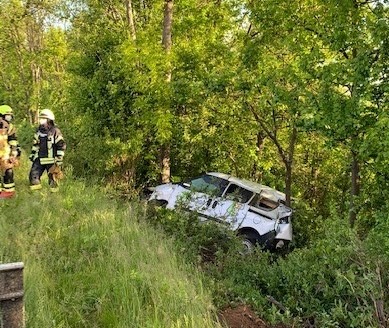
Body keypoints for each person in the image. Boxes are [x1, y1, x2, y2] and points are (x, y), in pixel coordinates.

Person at [29, 109, 66, 192]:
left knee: (53, 178)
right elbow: (35, 145)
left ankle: (54, 197)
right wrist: (32, 155)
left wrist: (59, 159)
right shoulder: (38, 131)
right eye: (40, 118)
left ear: (49, 120)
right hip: (39, 159)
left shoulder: (55, 131)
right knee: (33, 175)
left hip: (52, 160)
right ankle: (36, 195)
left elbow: (61, 145)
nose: (41, 120)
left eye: (43, 118)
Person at [0, 105, 21, 198]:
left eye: (10, 115)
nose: (9, 117)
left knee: (9, 171)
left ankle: (8, 193)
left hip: (5, 154)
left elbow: (13, 140)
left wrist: (14, 151)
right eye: (7, 115)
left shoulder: (10, 127)